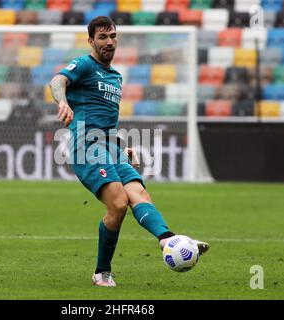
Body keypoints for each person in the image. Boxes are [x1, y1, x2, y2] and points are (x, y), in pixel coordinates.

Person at [49, 16, 209, 287]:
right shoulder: (85, 65)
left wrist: (121, 147)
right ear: (91, 41)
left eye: (112, 36)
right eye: (102, 37)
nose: (109, 41)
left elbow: (106, 120)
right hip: (86, 148)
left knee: (139, 194)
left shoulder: (116, 77)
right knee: (119, 203)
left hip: (111, 148)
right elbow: (57, 81)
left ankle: (168, 239)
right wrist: (62, 102)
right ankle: (102, 272)